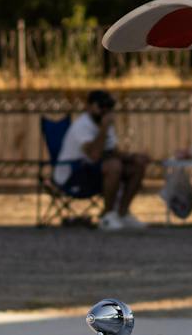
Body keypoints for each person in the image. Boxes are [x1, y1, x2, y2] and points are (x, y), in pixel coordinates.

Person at [55, 90, 150, 231]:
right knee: (114, 166)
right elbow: (94, 155)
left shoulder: (104, 123)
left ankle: (122, 213)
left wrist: (133, 157)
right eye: (101, 106)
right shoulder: (82, 126)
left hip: (94, 172)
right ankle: (107, 215)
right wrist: (104, 128)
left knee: (137, 166)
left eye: (109, 106)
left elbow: (112, 151)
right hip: (73, 175)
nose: (105, 110)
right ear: (89, 107)